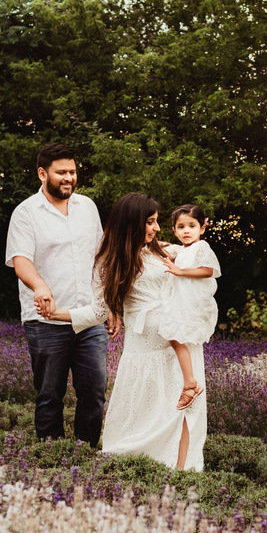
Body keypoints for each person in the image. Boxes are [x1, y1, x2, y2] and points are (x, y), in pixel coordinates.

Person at [40, 193, 206, 470]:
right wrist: (55, 313)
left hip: (178, 343)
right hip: (145, 348)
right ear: (132, 223)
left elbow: (194, 252)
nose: (156, 228)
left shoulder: (161, 250)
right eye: (150, 222)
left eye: (156, 222)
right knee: (144, 414)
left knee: (184, 412)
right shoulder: (109, 260)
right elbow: (97, 311)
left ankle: (183, 472)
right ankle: (135, 471)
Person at [4, 143, 108, 447]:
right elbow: (21, 260)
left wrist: (109, 304)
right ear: (42, 173)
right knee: (50, 394)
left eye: (72, 172)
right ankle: (51, 456)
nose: (69, 178)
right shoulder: (26, 213)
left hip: (89, 318)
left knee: (94, 392)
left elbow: (100, 259)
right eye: (61, 172)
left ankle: (84, 453)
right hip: (46, 321)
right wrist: (40, 286)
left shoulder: (87, 207)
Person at [156, 204, 221, 410]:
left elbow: (209, 270)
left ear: (202, 228)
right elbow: (161, 246)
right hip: (181, 303)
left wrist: (181, 271)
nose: (186, 231)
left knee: (174, 336)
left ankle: (190, 384)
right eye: (181, 226)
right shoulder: (182, 250)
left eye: (192, 226)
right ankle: (188, 382)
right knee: (173, 337)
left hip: (193, 304)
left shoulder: (201, 247)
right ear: (174, 230)